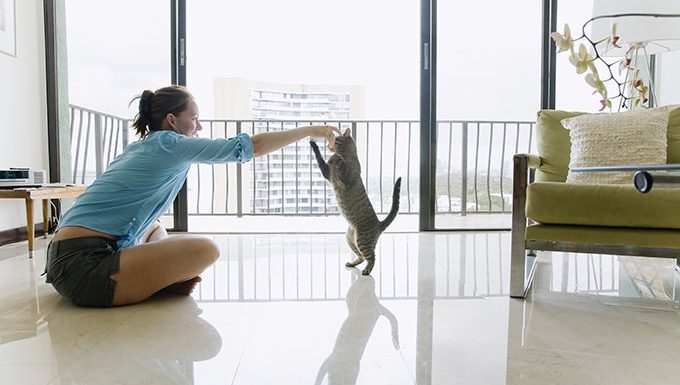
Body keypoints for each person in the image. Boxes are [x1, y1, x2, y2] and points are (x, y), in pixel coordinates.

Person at [44, 85, 340, 307]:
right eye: (194, 118)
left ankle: (154, 278)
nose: (198, 127)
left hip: (66, 255)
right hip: (83, 268)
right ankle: (157, 280)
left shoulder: (146, 145)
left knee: (156, 226)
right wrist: (310, 130)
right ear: (172, 120)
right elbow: (252, 146)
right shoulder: (171, 144)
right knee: (205, 250)